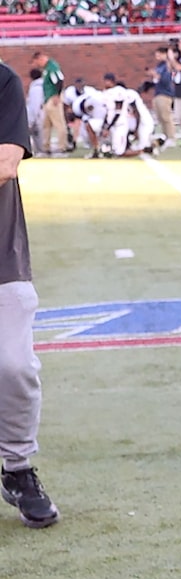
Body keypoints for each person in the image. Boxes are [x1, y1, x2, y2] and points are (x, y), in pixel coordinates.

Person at [0, 62, 60, 528]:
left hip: (2, 256)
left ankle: (17, 468)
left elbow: (5, 162)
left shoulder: (2, 81)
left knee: (15, 367)